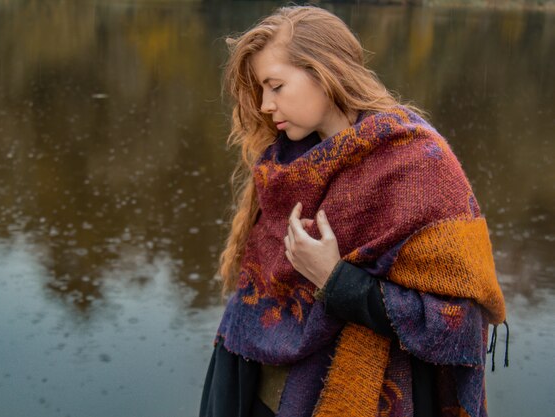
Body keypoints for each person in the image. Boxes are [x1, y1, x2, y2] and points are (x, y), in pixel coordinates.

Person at [199, 5, 506, 417]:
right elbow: (256, 297)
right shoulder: (284, 164)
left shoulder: (416, 162)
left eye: (275, 86)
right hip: (260, 392)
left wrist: (335, 279)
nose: (266, 105)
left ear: (324, 72)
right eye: (260, 91)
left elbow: (459, 322)